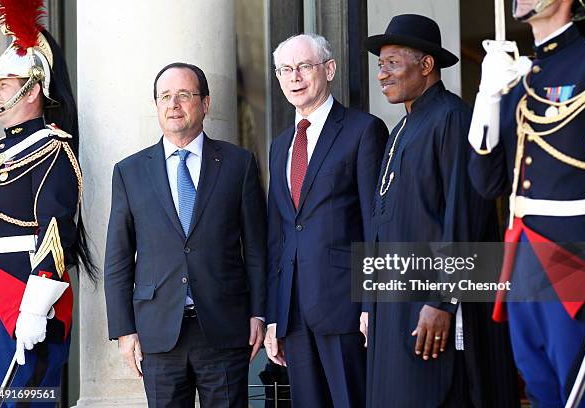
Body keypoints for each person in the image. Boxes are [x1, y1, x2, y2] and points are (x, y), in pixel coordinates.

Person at [362, 14, 519, 408]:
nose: (382, 74)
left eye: (393, 63)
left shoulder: (452, 117)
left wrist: (441, 301)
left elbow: (464, 217)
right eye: (380, 64)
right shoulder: (401, 127)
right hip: (397, 303)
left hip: (434, 307)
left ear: (426, 65)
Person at [104, 62, 266, 408]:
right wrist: (124, 330)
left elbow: (256, 249)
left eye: (184, 95)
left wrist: (259, 313)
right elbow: (117, 259)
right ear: (156, 106)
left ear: (205, 103)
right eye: (165, 96)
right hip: (158, 332)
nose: (173, 104)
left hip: (224, 329)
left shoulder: (239, 164)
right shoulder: (130, 171)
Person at [468, 0, 585, 406]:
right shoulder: (518, 77)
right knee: (540, 390)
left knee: (583, 393)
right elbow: (487, 182)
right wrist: (487, 98)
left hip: (578, 256)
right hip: (523, 255)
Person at [264, 34, 388, 408]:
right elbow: (278, 236)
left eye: (304, 66)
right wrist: (274, 316)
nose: (294, 77)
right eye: (285, 69)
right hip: (294, 315)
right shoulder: (280, 144)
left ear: (329, 69)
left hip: (346, 309)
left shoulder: (363, 130)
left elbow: (375, 225)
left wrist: (371, 303)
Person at [0, 1, 97, 406]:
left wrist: (35, 308)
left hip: (25, 296)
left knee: (28, 398)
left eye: (6, 81)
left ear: (33, 88)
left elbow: (54, 232)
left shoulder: (53, 148)